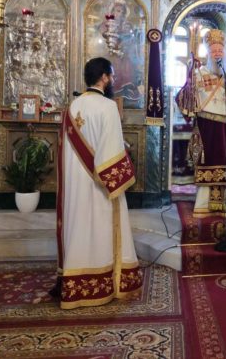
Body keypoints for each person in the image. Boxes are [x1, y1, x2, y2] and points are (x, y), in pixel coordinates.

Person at [55, 57, 142, 309]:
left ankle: (75, 282)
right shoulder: (108, 107)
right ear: (103, 77)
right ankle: (104, 281)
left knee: (79, 227)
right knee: (102, 228)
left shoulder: (73, 107)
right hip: (101, 186)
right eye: (111, 75)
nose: (113, 79)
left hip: (75, 184)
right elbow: (110, 153)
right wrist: (118, 177)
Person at [176, 29, 226, 218]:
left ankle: (224, 204)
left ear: (224, 53)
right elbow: (183, 100)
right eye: (213, 50)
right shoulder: (198, 75)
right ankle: (202, 205)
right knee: (206, 164)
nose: (217, 53)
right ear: (208, 53)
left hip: (225, 130)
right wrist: (189, 77)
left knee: (223, 165)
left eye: (220, 50)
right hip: (205, 129)